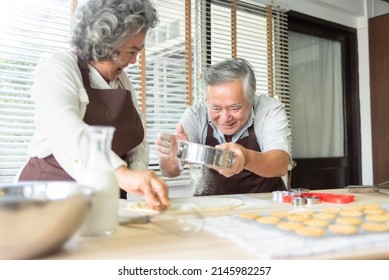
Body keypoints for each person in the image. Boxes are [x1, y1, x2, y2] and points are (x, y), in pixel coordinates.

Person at [16, 0, 170, 211]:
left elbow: (137, 140)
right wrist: (120, 174)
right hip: (49, 197)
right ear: (106, 43)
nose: (134, 61)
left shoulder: (122, 80)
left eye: (138, 52)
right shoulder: (59, 67)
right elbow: (66, 129)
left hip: (104, 199)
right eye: (132, 51)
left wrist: (138, 176)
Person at [156, 58, 291, 195]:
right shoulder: (196, 114)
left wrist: (246, 158)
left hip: (266, 205)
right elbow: (169, 172)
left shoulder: (269, 109)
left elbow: (280, 164)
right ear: (206, 101)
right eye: (216, 108)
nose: (225, 118)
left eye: (235, 108)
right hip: (213, 207)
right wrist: (172, 159)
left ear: (251, 101)